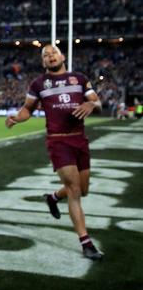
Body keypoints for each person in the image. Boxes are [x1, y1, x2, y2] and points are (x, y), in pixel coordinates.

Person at [6, 44, 103, 260]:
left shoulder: (79, 78)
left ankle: (52, 197)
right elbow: (27, 109)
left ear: (62, 56)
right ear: (43, 62)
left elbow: (96, 101)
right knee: (75, 190)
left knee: (83, 189)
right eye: (46, 55)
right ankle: (86, 243)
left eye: (53, 53)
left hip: (80, 140)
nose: (50, 57)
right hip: (58, 142)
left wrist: (91, 105)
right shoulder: (38, 83)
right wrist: (16, 117)